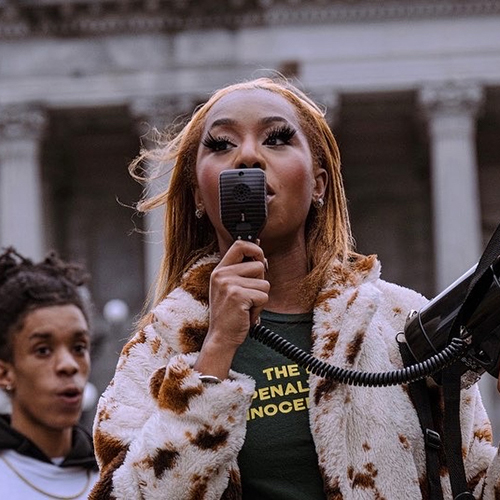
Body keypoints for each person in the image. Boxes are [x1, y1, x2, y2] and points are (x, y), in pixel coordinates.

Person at [90, 76, 500, 499]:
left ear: (319, 184)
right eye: (221, 144)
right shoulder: (158, 350)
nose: (248, 156)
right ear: (198, 193)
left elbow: (475, 485)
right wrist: (213, 356)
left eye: (277, 138)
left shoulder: (399, 324)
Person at [0, 247, 99, 499]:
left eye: (79, 347)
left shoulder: (120, 475)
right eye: (43, 350)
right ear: (4, 373)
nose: (69, 365)